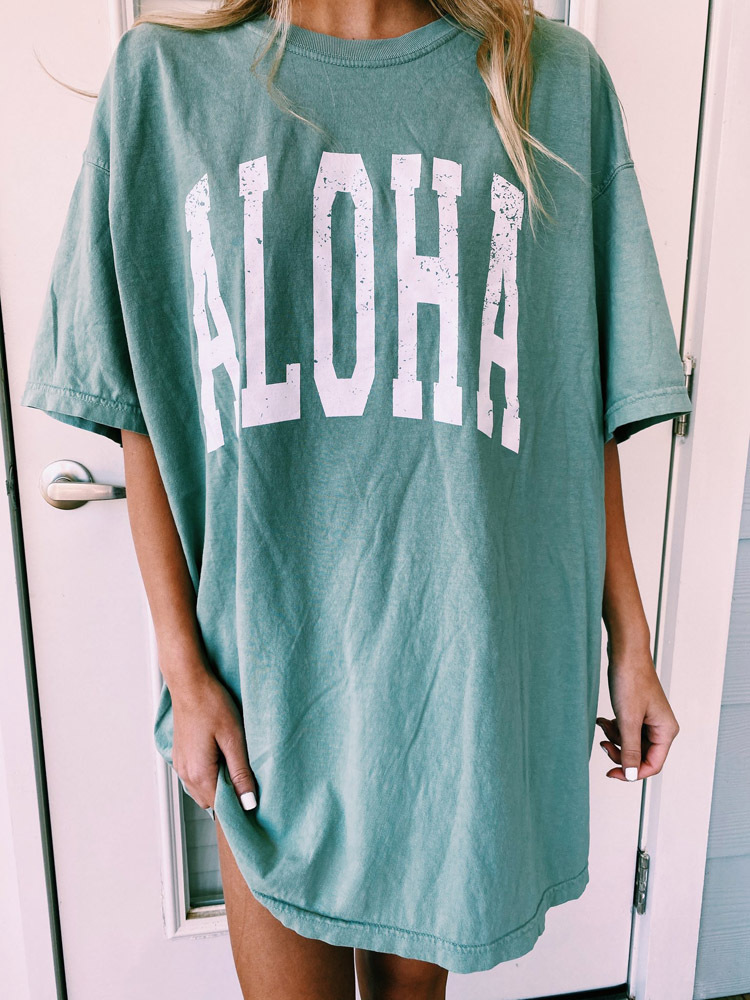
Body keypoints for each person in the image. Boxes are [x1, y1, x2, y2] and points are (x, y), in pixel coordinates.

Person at [20, 0, 693, 996]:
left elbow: (573, 400)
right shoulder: (165, 85)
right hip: (270, 687)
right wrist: (183, 668)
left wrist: (629, 642)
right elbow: (138, 405)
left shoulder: (550, 81)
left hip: (456, 678)